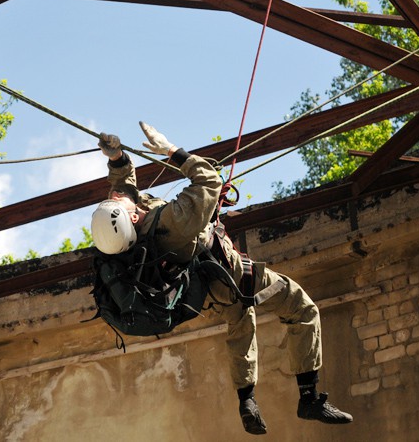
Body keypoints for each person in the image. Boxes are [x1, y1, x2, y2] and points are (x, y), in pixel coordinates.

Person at [91, 122, 354, 435]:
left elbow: (124, 190)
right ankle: (309, 397)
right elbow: (209, 182)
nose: (116, 197)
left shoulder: (123, 240)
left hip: (207, 289)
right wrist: (171, 151)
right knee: (302, 307)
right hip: (230, 272)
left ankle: (247, 400)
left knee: (241, 324)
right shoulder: (171, 224)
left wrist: (117, 158)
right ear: (133, 216)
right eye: (117, 202)